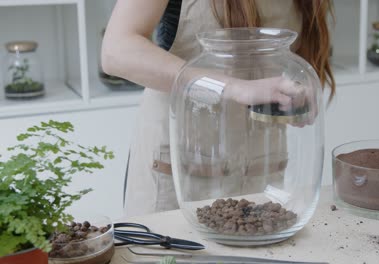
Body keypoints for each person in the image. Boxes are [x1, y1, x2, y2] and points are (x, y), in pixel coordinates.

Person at [102, 0, 335, 217]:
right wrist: (234, 88)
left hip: (261, 165)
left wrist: (295, 94)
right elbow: (117, 50)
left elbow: (292, 55)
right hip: (180, 162)